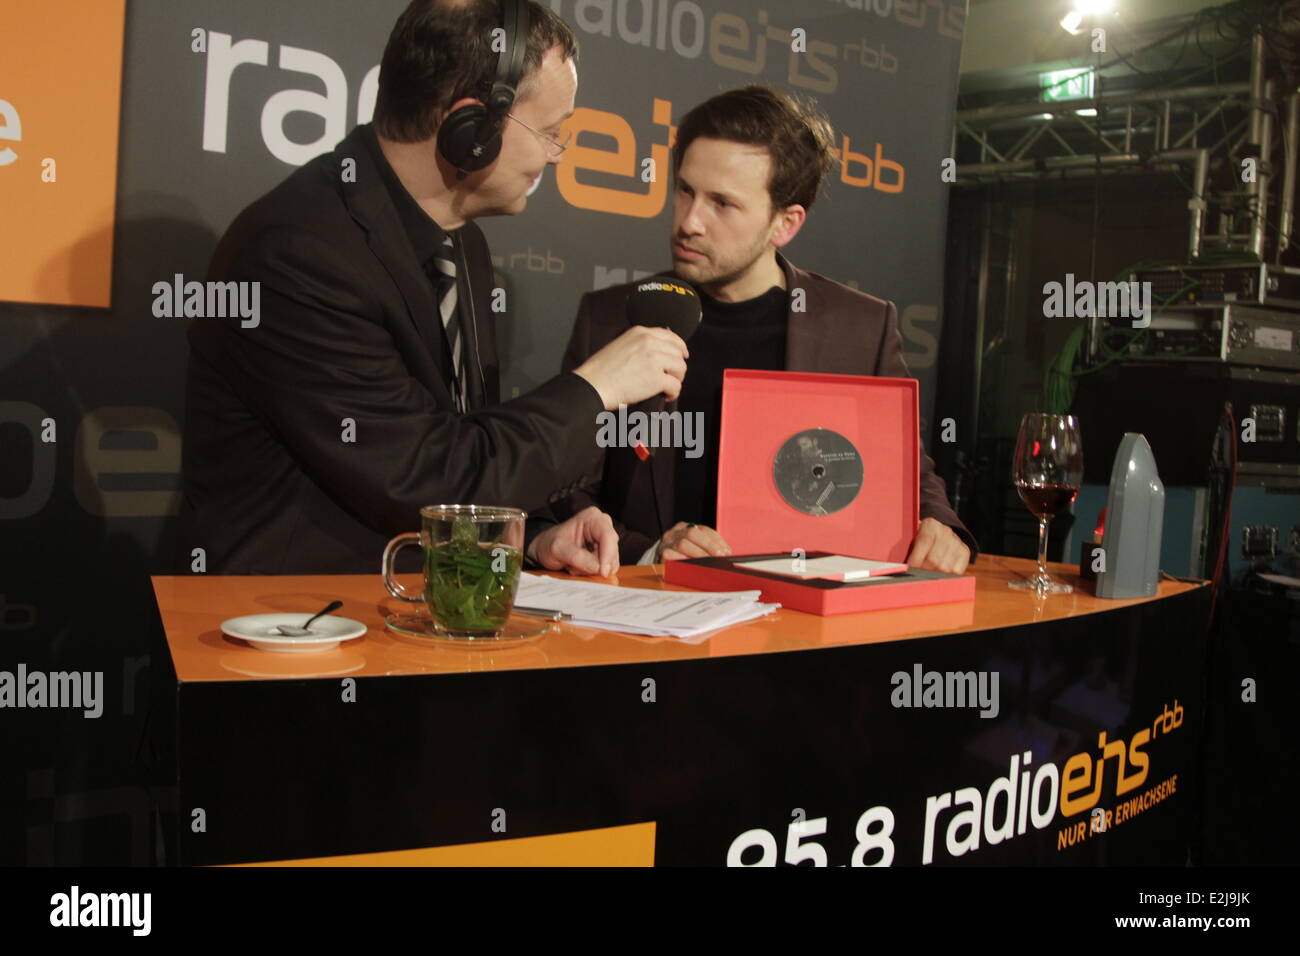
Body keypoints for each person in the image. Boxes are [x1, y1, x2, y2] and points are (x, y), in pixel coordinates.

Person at [179, 0, 687, 575]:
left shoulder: (460, 242)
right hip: (287, 632)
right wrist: (596, 389)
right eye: (550, 132)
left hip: (403, 620)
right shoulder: (299, 253)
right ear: (472, 127)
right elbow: (426, 478)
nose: (555, 154)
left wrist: (534, 536)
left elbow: (457, 442)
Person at [556, 86, 977, 573]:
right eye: (686, 190)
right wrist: (649, 552)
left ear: (786, 223)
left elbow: (906, 475)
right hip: (654, 614)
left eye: (722, 204)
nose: (689, 221)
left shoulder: (859, 328)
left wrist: (939, 524)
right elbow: (567, 488)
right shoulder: (609, 318)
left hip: (805, 621)